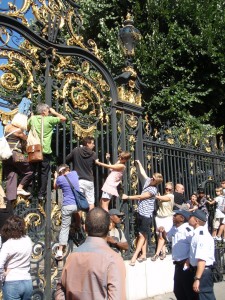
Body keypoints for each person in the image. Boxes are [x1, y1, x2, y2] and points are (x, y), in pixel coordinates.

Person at [55, 207, 126, 300]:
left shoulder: (72, 257)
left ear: (85, 228)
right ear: (109, 226)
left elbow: (60, 292)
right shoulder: (113, 259)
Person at [122, 160, 163, 266]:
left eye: (154, 179)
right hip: (141, 212)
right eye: (152, 177)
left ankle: (135, 256)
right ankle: (144, 254)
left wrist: (128, 197)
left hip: (146, 215)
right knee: (142, 234)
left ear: (156, 182)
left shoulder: (153, 190)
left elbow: (141, 197)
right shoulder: (149, 181)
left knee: (142, 235)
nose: (151, 178)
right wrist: (139, 163)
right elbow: (143, 173)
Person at [28, 103, 66, 200]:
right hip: (45, 150)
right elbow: (63, 118)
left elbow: (27, 128)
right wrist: (54, 112)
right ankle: (41, 194)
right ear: (44, 111)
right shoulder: (49, 119)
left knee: (32, 171)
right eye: (48, 111)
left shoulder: (33, 119)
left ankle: (30, 192)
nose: (49, 112)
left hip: (34, 149)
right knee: (44, 173)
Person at [158, 210, 195, 300]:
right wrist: (162, 231)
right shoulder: (174, 228)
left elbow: (194, 246)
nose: (173, 217)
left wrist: (189, 260)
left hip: (186, 265)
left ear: (182, 218)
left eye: (176, 215)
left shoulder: (188, 229)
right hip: (178, 265)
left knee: (188, 291)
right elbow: (167, 237)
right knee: (178, 290)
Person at [0, 215, 33, 300]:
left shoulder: (8, 244)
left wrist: (2, 278)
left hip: (12, 282)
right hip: (27, 281)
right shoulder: (27, 239)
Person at [3, 113, 34, 202]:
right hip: (16, 155)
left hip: (6, 156)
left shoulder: (7, 128)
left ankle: (10, 201)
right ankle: (20, 188)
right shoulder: (18, 131)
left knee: (11, 176)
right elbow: (27, 138)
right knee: (30, 171)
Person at [53, 164, 80, 259]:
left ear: (60, 172)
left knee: (64, 227)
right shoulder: (75, 174)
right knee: (78, 214)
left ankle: (60, 251)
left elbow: (55, 187)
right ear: (68, 169)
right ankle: (79, 228)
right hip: (77, 205)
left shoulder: (60, 179)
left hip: (67, 205)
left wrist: (56, 177)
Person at [188, 209, 216, 300]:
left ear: (196, 220)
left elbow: (202, 259)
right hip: (200, 271)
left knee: (205, 297)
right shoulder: (197, 234)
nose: (189, 218)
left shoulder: (201, 236)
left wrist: (197, 279)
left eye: (191, 216)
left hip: (203, 272)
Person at [66, 136, 97, 210]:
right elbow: (96, 165)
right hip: (89, 180)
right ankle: (91, 221)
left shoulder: (76, 151)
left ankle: (78, 221)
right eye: (92, 143)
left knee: (78, 202)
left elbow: (67, 159)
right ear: (87, 143)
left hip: (78, 180)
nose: (94, 145)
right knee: (91, 202)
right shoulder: (93, 154)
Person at [151, 182, 174, 261]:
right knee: (160, 236)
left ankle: (157, 254)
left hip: (167, 218)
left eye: (169, 189)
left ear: (172, 190)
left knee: (162, 236)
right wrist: (159, 196)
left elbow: (165, 199)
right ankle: (163, 252)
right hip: (159, 217)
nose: (167, 190)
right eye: (166, 188)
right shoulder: (161, 196)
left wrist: (157, 196)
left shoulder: (171, 196)